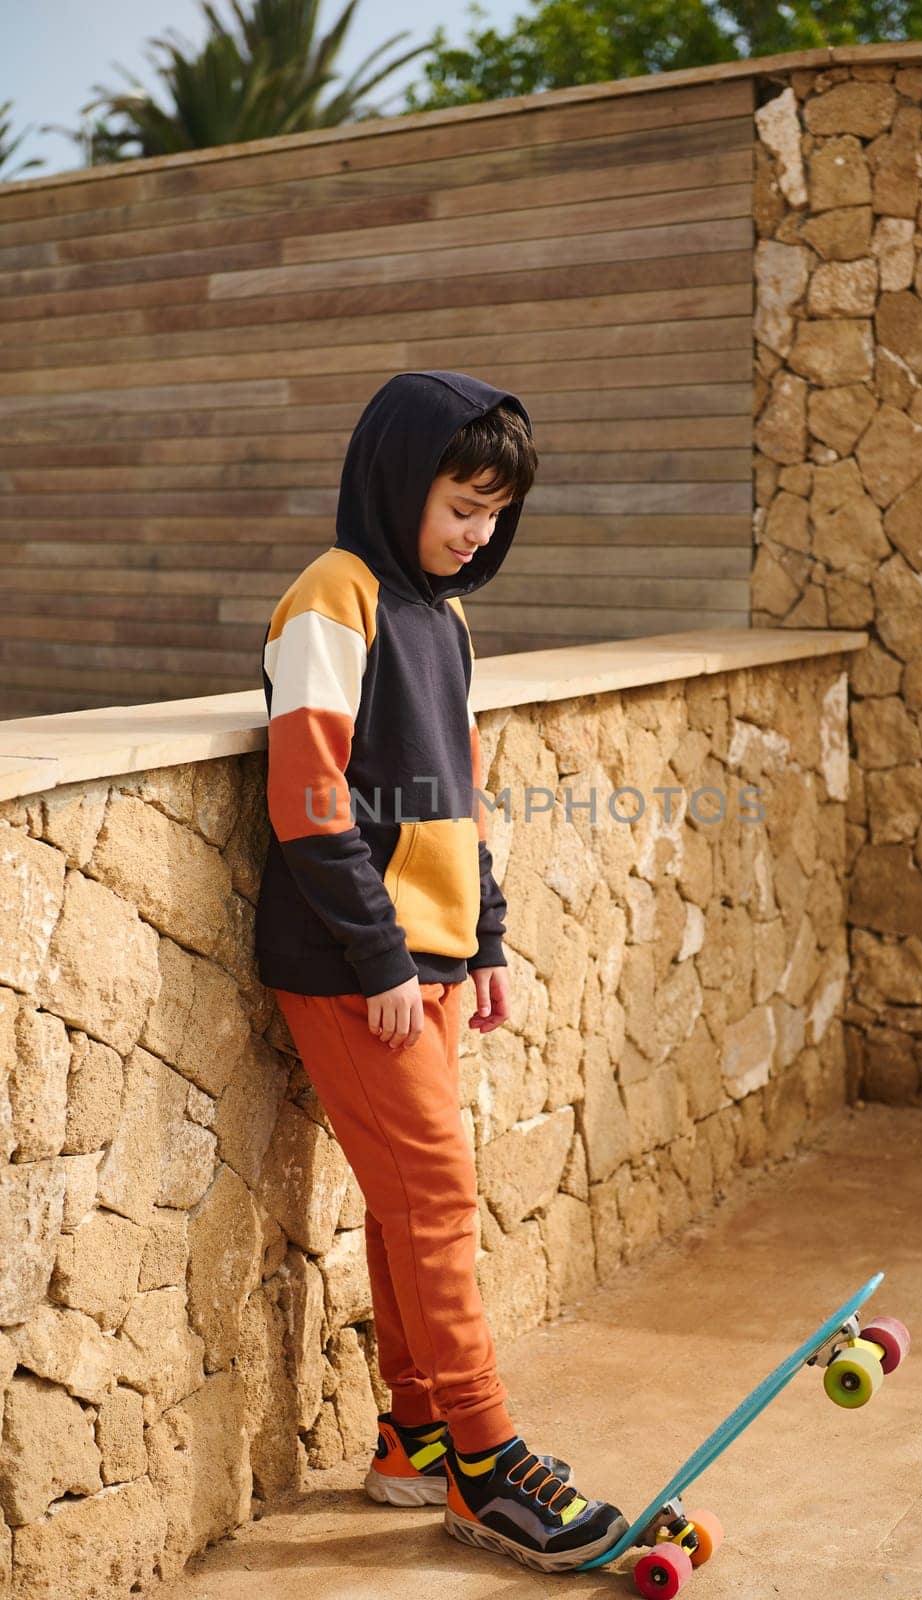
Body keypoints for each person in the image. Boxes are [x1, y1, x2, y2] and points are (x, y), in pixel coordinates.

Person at [253, 370, 628, 1573]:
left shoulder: (445, 620)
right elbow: (309, 804)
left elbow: (454, 803)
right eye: (462, 504)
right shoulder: (332, 597)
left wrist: (488, 940)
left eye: (493, 514)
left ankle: (414, 1435)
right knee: (439, 1204)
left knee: (411, 1205)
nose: (478, 533)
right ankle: (484, 1458)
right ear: (395, 477)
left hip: (428, 964)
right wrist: (379, 954)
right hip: (357, 965)